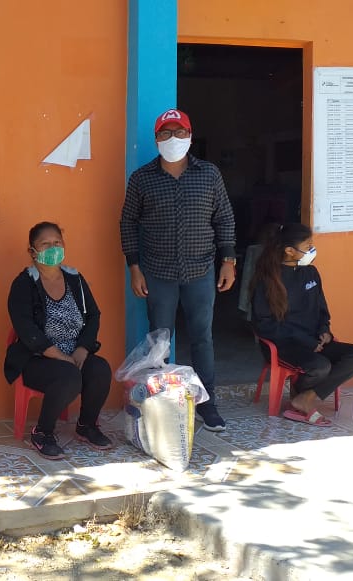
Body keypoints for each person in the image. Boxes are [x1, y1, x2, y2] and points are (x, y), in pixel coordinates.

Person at [120, 108, 237, 432]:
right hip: (157, 272)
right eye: (166, 133)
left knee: (202, 338)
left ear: (190, 136)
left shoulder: (209, 174)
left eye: (179, 132)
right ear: (156, 138)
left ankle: (207, 405)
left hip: (201, 271)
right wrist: (134, 267)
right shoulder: (142, 178)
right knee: (159, 342)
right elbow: (128, 222)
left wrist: (228, 260)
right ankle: (162, 405)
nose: (173, 138)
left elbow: (224, 218)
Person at [5, 222, 113, 460]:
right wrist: (60, 356)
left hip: (74, 352)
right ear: (32, 251)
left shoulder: (75, 279)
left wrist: (83, 349)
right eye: (45, 244)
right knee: (69, 376)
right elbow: (26, 329)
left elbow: (93, 315)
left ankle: (86, 425)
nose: (52, 248)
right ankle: (42, 433)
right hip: (37, 359)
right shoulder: (24, 284)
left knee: (101, 369)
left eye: (57, 242)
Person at [251, 223, 353, 426]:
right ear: (289, 251)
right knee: (320, 365)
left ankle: (306, 397)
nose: (311, 250)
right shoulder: (268, 279)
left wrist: (325, 330)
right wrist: (306, 341)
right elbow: (264, 325)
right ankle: (302, 399)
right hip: (285, 345)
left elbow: (322, 309)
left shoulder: (311, 273)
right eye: (307, 246)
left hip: (316, 342)